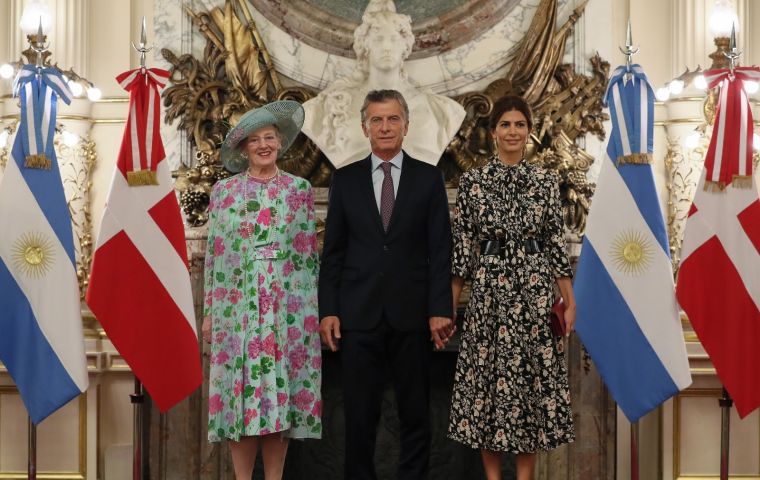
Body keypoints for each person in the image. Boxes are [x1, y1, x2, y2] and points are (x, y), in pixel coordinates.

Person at [318, 89, 455, 479]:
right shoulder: (344, 180)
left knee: (416, 417)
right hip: (358, 316)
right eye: (377, 120)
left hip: (412, 317)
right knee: (359, 420)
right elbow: (334, 253)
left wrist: (440, 309)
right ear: (365, 127)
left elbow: (440, 250)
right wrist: (328, 309)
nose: (385, 127)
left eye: (393, 119)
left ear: (406, 125)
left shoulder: (430, 179)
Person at [447, 95, 576, 480]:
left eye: (520, 124)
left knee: (528, 390)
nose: (513, 131)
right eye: (506, 124)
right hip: (488, 294)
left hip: (534, 293)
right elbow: (463, 250)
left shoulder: (546, 181)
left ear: (530, 132)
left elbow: (556, 243)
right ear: (493, 132)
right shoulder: (472, 182)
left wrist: (570, 301)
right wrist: (450, 306)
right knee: (487, 388)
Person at [202, 100, 322, 480]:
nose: (264, 145)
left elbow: (307, 255)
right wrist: (209, 314)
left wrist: (309, 315)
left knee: (277, 399)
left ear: (280, 142)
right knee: (241, 399)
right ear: (243, 149)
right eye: (255, 140)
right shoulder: (223, 193)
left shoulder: (299, 190)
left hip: (285, 309)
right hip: (237, 310)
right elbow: (214, 256)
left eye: (270, 137)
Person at [301, 0, 465, 168]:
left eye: (394, 39)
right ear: (365, 45)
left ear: (405, 46)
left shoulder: (441, 111)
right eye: (379, 39)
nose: (387, 47)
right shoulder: (330, 106)